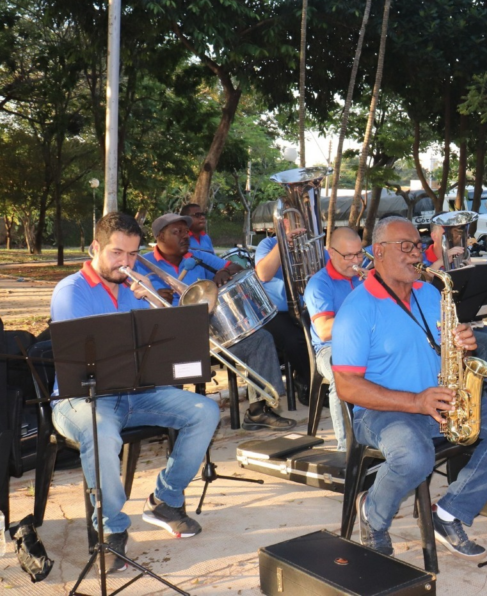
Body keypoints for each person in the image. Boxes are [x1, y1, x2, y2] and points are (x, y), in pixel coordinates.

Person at [332, 216, 487, 558]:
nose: (416, 254)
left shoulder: (431, 293)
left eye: (419, 246)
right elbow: (347, 387)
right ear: (378, 252)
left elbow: (445, 347)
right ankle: (374, 514)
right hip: (382, 411)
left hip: (437, 399)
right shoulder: (356, 310)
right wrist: (416, 401)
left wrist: (464, 343)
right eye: (405, 246)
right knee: (413, 457)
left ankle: (450, 511)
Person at [49, 212, 221, 572]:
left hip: (133, 392)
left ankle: (165, 499)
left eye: (131, 255)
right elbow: (81, 358)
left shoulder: (133, 291)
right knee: (102, 432)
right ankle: (111, 532)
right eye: (116, 253)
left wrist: (152, 302)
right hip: (81, 398)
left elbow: (173, 344)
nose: (125, 263)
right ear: (95, 247)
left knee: (205, 411)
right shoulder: (71, 291)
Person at [144, 213, 296, 432]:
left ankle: (258, 410)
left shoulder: (196, 256)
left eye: (185, 231)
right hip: (168, 340)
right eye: (176, 232)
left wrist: (222, 274)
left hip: (207, 335)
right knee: (168, 362)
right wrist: (153, 296)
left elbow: (236, 267)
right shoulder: (144, 264)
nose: (184, 236)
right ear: (159, 237)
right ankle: (167, 421)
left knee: (260, 339)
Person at [303, 227, 365, 449]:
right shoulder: (319, 284)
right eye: (348, 256)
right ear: (330, 252)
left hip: (365, 342)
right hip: (330, 348)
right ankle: (345, 449)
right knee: (343, 374)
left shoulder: (364, 277)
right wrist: (363, 318)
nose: (355, 261)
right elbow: (324, 330)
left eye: (359, 254)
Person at [255, 227, 316, 405]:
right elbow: (264, 274)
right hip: (276, 312)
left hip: (308, 308)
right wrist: (282, 245)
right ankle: (307, 382)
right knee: (295, 339)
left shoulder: (313, 244)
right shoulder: (268, 244)